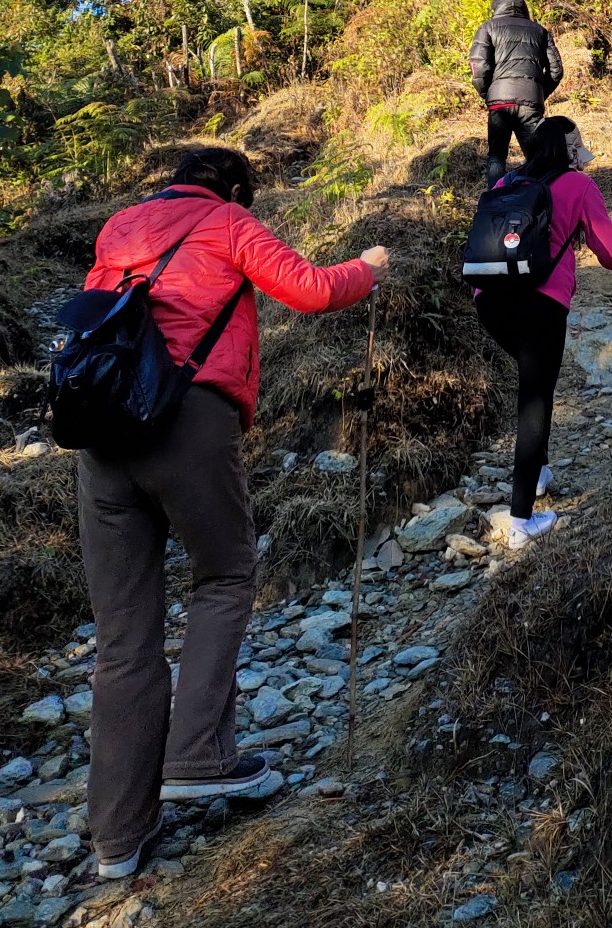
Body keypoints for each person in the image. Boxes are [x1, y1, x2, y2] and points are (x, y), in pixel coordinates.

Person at [74, 144, 386, 880]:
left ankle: (116, 838)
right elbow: (309, 289)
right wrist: (369, 268)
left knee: (123, 640)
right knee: (223, 576)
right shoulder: (228, 222)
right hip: (187, 419)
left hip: (99, 434)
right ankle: (198, 757)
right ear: (235, 187)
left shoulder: (119, 228)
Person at [473, 115, 612, 550]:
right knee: (536, 396)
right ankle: (521, 521)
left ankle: (540, 469)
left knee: (538, 379)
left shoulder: (505, 184)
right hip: (541, 303)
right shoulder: (579, 187)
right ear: (570, 152)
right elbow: (611, 252)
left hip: (488, 301)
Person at [468, 0, 564, 186]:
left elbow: (478, 67)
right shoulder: (540, 31)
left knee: (496, 156)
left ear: (496, 8)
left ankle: (496, 202)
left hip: (498, 103)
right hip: (531, 101)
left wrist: (489, 94)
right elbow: (556, 70)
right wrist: (538, 93)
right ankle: (540, 203)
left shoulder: (487, 28)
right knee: (538, 156)